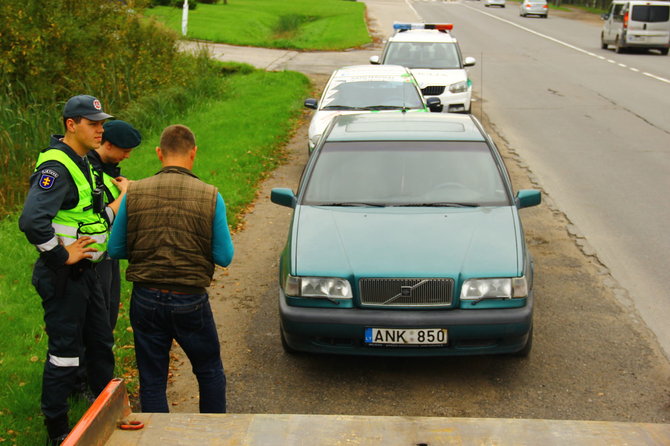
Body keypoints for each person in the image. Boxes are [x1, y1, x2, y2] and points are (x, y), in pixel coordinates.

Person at [19, 94, 128, 445]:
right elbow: (33, 221)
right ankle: (58, 430)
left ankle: (104, 412)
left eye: (101, 123)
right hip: (64, 276)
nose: (101, 130)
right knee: (65, 354)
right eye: (93, 123)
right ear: (71, 124)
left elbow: (92, 219)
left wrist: (120, 201)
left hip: (89, 274)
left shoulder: (85, 163)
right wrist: (61, 256)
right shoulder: (57, 167)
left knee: (100, 344)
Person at [108, 124, 234, 413]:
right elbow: (224, 256)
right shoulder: (211, 196)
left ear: (158, 153)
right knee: (209, 371)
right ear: (194, 153)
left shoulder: (135, 192)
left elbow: (114, 249)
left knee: (152, 381)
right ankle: (212, 435)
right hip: (190, 300)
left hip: (146, 299)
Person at [88, 120, 142, 330]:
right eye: (125, 150)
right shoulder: (89, 171)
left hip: (109, 254)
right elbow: (99, 215)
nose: (128, 155)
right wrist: (127, 194)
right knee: (98, 319)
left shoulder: (110, 171)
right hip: (92, 257)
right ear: (108, 144)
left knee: (109, 312)